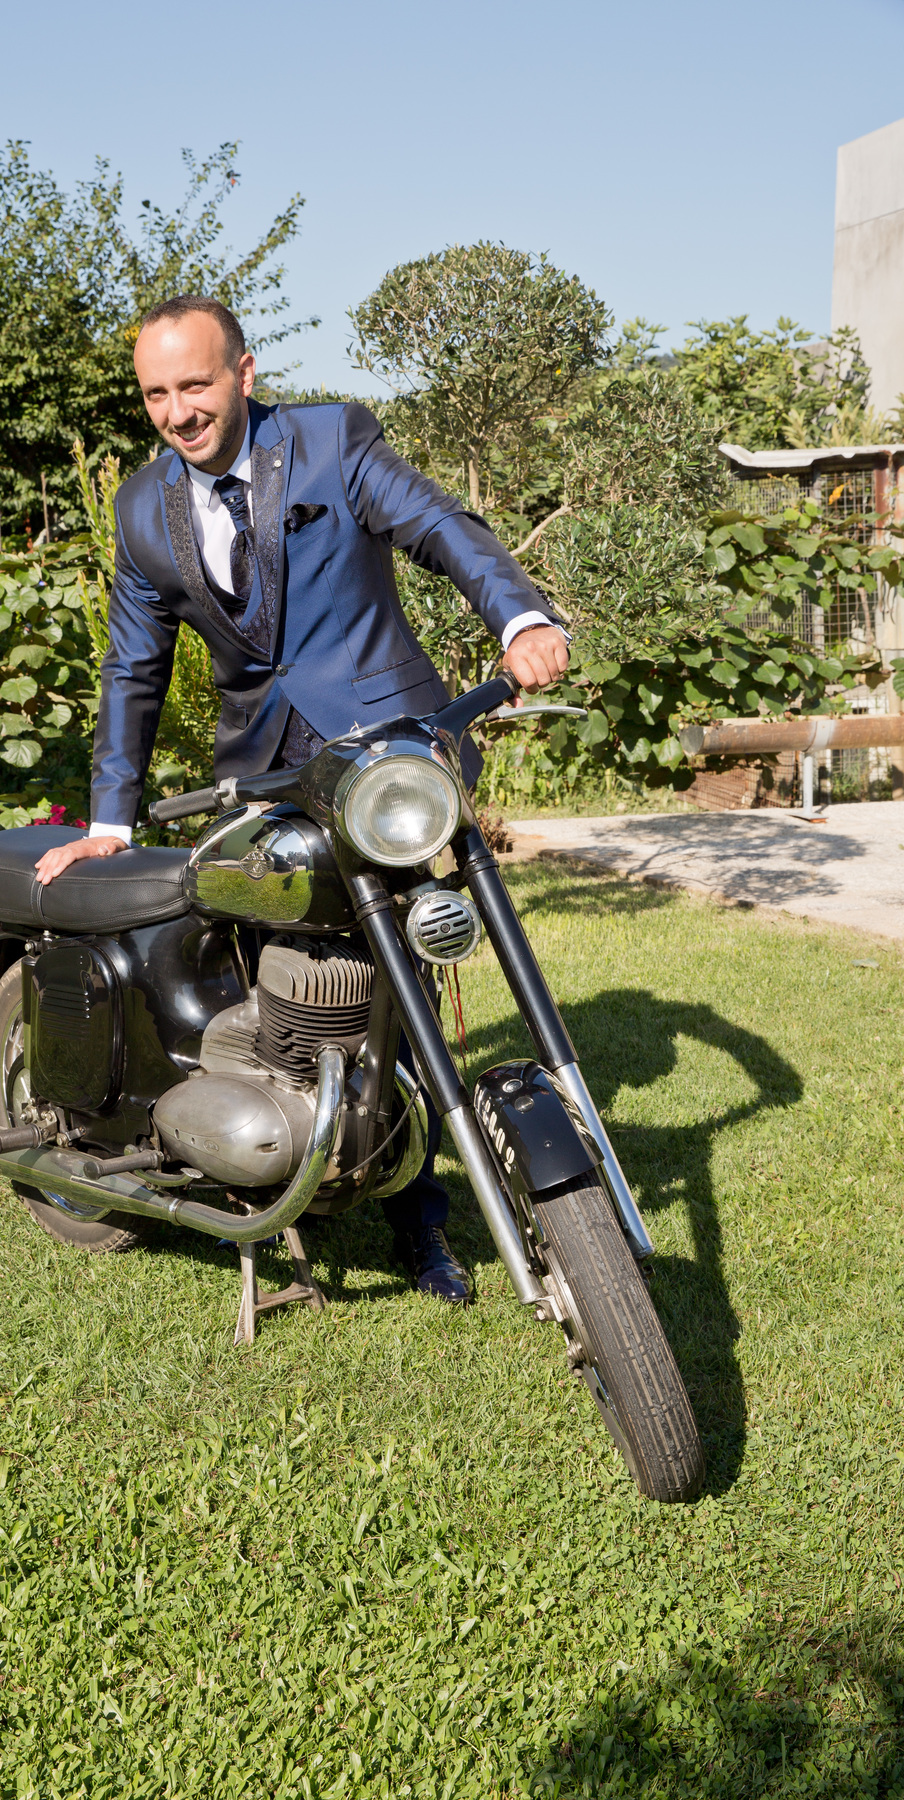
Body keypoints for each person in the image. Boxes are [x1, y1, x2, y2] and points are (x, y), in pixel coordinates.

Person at [35, 294, 569, 1303]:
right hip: (263, 772)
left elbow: (438, 526)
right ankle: (267, 1155)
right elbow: (132, 669)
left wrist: (519, 619)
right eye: (156, 393)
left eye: (196, 384)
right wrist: (110, 819)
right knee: (259, 961)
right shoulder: (143, 508)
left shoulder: (330, 441)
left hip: (380, 748)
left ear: (244, 373)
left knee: (396, 976)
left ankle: (419, 1220)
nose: (178, 412)